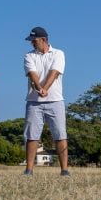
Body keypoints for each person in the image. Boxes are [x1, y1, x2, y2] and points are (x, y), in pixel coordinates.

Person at [22, 26, 69, 176]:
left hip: (55, 101)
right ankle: (29, 169)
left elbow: (54, 72)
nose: (32, 43)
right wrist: (39, 88)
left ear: (43, 40)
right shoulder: (29, 56)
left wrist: (45, 88)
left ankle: (64, 170)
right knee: (32, 136)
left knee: (60, 135)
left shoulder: (58, 53)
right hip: (34, 101)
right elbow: (32, 74)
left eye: (34, 40)